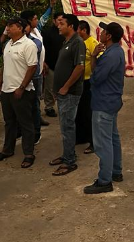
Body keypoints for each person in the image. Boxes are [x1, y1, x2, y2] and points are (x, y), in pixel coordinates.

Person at [83, 21, 126, 194]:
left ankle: (104, 181)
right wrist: (93, 56)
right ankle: (116, 171)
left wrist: (94, 66)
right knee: (112, 137)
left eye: (104, 31)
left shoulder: (110, 55)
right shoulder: (113, 51)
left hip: (104, 102)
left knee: (103, 143)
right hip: (111, 101)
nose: (100, 33)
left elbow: (96, 77)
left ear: (108, 36)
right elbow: (97, 71)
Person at [0, 18, 37, 169]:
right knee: (9, 122)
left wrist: (22, 87)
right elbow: (5, 65)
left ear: (20, 28)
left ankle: (29, 153)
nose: (7, 29)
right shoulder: (8, 44)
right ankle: (7, 150)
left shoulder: (28, 45)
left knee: (25, 123)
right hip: (7, 90)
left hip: (22, 91)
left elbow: (32, 67)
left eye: (10, 27)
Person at [49, 13, 86, 176]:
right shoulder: (66, 42)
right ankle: (67, 155)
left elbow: (79, 67)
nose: (59, 25)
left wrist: (65, 87)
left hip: (70, 93)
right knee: (64, 126)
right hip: (62, 92)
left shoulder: (77, 42)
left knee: (67, 127)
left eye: (62, 23)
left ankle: (70, 162)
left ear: (71, 26)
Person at [76, 20, 98, 154]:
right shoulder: (78, 42)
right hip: (78, 82)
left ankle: (93, 142)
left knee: (88, 113)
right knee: (79, 111)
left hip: (88, 81)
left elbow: (99, 62)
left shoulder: (92, 43)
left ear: (84, 30)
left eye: (78, 29)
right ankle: (81, 137)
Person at [23, 21, 44, 145]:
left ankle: (36, 133)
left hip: (34, 77)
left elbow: (32, 61)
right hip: (18, 77)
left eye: (24, 26)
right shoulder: (11, 43)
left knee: (34, 105)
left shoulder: (35, 42)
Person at [42, 12, 65, 117]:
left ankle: (63, 106)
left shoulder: (66, 32)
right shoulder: (47, 33)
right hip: (51, 64)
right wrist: (44, 62)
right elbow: (43, 49)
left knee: (63, 87)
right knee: (50, 87)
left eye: (62, 20)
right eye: (59, 20)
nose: (60, 22)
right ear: (54, 21)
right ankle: (49, 107)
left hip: (64, 66)